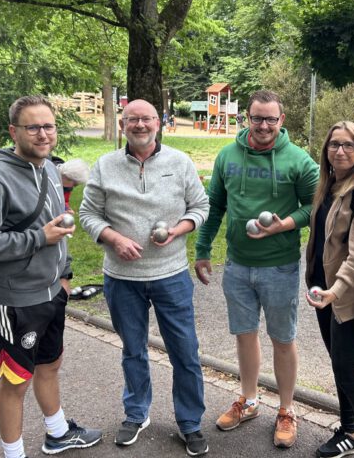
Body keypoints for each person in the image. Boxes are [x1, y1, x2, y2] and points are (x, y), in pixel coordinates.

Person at [0, 95, 102, 458]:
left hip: (51, 292)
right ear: (14, 131)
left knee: (50, 363)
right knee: (14, 382)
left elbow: (60, 226)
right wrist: (39, 238)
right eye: (33, 127)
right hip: (15, 299)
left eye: (49, 126)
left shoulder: (50, 171)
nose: (43, 134)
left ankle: (57, 433)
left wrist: (65, 276)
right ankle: (14, 454)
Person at [79, 99, 210, 456]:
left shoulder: (179, 162)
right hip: (121, 278)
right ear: (122, 125)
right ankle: (136, 414)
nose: (140, 125)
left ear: (159, 123)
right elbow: (88, 213)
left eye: (147, 119)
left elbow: (201, 206)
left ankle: (190, 423)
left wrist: (178, 231)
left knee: (185, 352)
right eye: (132, 119)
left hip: (170, 275)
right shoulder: (105, 166)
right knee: (133, 350)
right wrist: (114, 238)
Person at [194, 89, 319, 449]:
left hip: (279, 266)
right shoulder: (227, 155)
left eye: (270, 119)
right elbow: (215, 205)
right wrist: (203, 250)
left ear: (282, 120)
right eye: (256, 118)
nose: (263, 125)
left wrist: (285, 225)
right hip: (236, 265)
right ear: (246, 118)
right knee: (244, 335)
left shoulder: (298, 160)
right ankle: (248, 401)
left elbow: (315, 207)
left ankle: (286, 409)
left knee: (283, 339)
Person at [305, 121, 354, 458]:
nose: (339, 150)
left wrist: (334, 291)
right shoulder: (329, 185)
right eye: (334, 144)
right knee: (340, 367)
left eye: (348, 145)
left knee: (350, 373)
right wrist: (317, 285)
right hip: (324, 294)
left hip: (349, 298)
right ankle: (350, 433)